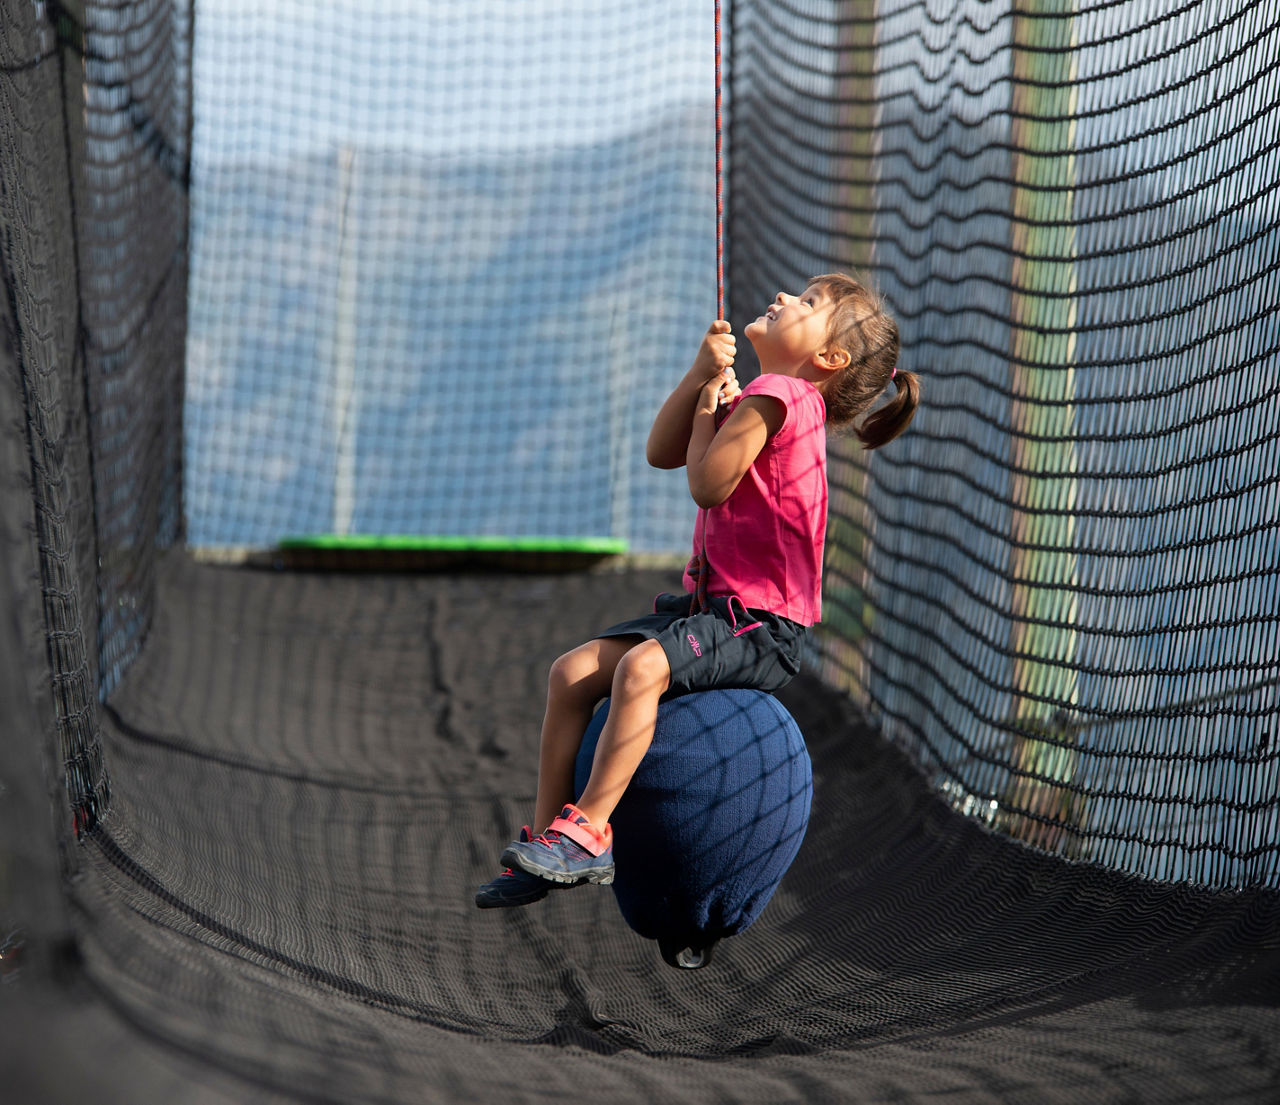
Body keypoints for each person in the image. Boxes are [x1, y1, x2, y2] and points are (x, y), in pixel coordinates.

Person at [476, 273, 919, 908]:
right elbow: (663, 451)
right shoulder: (771, 399)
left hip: (761, 625)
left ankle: (591, 831)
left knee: (639, 670)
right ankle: (549, 838)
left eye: (811, 303)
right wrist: (699, 379)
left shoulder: (781, 394)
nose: (788, 297)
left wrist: (711, 412)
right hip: (713, 610)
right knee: (570, 673)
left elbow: (706, 484)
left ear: (830, 358)